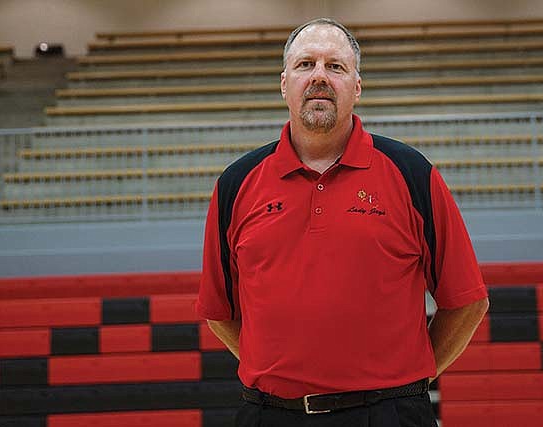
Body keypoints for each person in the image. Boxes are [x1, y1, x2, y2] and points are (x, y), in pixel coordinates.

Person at [196, 17, 489, 427]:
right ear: (284, 85)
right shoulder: (236, 183)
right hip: (270, 415)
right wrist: (278, 371)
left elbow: (467, 302)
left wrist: (406, 381)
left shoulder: (412, 174)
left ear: (357, 86)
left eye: (335, 66)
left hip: (391, 415)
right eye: (305, 65)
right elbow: (219, 311)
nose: (319, 76)